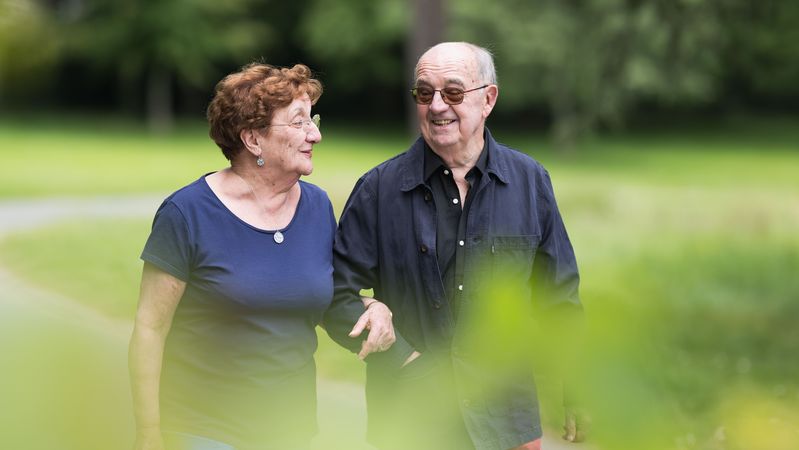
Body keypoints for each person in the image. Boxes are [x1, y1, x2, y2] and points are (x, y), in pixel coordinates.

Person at [323, 42, 585, 450]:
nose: (437, 106)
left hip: (505, 422)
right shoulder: (378, 189)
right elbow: (333, 295)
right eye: (425, 93)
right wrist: (401, 358)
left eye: (454, 92)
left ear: (489, 99)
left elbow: (559, 297)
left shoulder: (531, 181)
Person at [129, 63, 394, 450]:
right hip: (202, 429)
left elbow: (316, 293)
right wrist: (148, 434)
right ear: (253, 139)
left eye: (313, 120)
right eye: (299, 122)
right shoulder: (187, 213)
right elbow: (150, 328)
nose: (315, 135)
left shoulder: (317, 206)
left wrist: (375, 307)